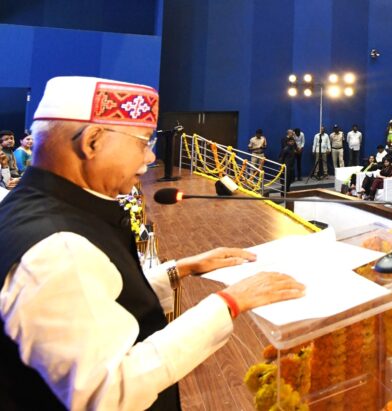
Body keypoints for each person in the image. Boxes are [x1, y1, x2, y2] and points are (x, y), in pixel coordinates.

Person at [0, 76, 305, 409]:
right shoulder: (58, 247)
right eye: (142, 142)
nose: (147, 158)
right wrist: (229, 302)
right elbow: (107, 393)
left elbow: (96, 299)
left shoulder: (40, 210)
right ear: (92, 141)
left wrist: (179, 270)